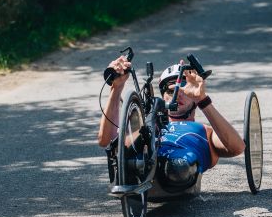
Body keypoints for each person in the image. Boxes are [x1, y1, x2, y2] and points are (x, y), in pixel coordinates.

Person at [97, 55, 245, 195]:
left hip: (178, 169)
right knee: (130, 143)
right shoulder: (147, 127)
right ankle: (135, 170)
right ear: (163, 96)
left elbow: (237, 147)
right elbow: (106, 140)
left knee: (177, 167)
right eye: (171, 90)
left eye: (184, 89)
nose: (178, 94)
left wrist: (202, 100)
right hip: (142, 160)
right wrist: (116, 88)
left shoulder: (205, 131)